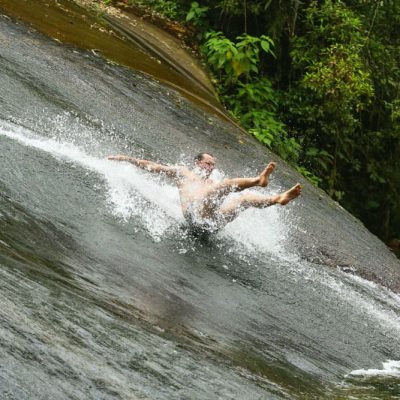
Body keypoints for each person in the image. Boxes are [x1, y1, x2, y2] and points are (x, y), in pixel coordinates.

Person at [107, 152, 301, 233]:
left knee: (244, 199)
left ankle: (277, 198)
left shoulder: (211, 181)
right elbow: (152, 166)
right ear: (197, 162)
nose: (211, 166)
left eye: (213, 164)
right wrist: (126, 158)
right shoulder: (183, 173)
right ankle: (258, 180)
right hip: (194, 217)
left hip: (212, 224)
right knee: (223, 186)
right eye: (207, 163)